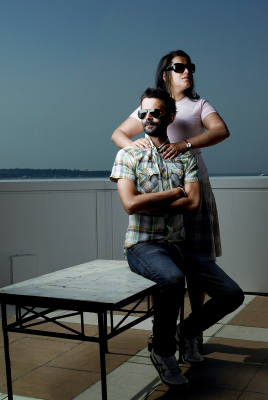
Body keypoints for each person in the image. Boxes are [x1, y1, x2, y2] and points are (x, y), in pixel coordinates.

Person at [110, 87, 244, 389]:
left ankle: (186, 332)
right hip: (143, 245)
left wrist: (149, 201)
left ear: (170, 117)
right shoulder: (128, 154)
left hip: (178, 245)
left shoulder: (185, 158)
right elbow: (130, 204)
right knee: (172, 280)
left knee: (232, 294)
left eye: (155, 112)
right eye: (143, 112)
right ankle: (163, 351)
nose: (148, 117)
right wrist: (174, 193)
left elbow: (193, 203)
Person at [111, 50, 229, 344]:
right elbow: (119, 134)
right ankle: (161, 333)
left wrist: (183, 145)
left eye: (190, 66)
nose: (187, 71)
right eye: (179, 67)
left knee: (198, 261)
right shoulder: (153, 106)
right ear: (166, 73)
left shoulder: (198, 104)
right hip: (160, 186)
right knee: (164, 265)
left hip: (193, 183)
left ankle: (193, 334)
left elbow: (221, 131)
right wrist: (139, 150)